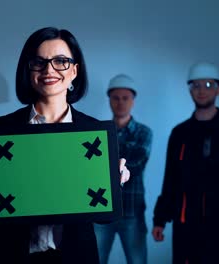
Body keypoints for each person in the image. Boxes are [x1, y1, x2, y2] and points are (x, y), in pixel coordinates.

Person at [0, 27, 130, 264]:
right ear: (28, 69)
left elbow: (103, 217)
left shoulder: (94, 132)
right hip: (12, 255)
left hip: (74, 256)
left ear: (74, 70)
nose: (49, 70)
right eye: (39, 62)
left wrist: (116, 184)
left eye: (61, 61)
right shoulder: (2, 129)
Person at [152, 62, 219, 264]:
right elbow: (171, 179)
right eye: (196, 86)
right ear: (190, 90)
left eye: (208, 85)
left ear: (218, 89)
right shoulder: (180, 133)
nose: (201, 91)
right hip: (186, 228)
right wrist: (160, 219)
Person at [94, 74, 152, 264]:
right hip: (103, 209)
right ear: (109, 100)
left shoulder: (144, 132)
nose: (120, 103)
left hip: (131, 212)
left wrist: (107, 166)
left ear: (133, 100)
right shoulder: (98, 131)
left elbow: (135, 166)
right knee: (95, 259)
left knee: (137, 261)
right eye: (115, 98)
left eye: (125, 98)